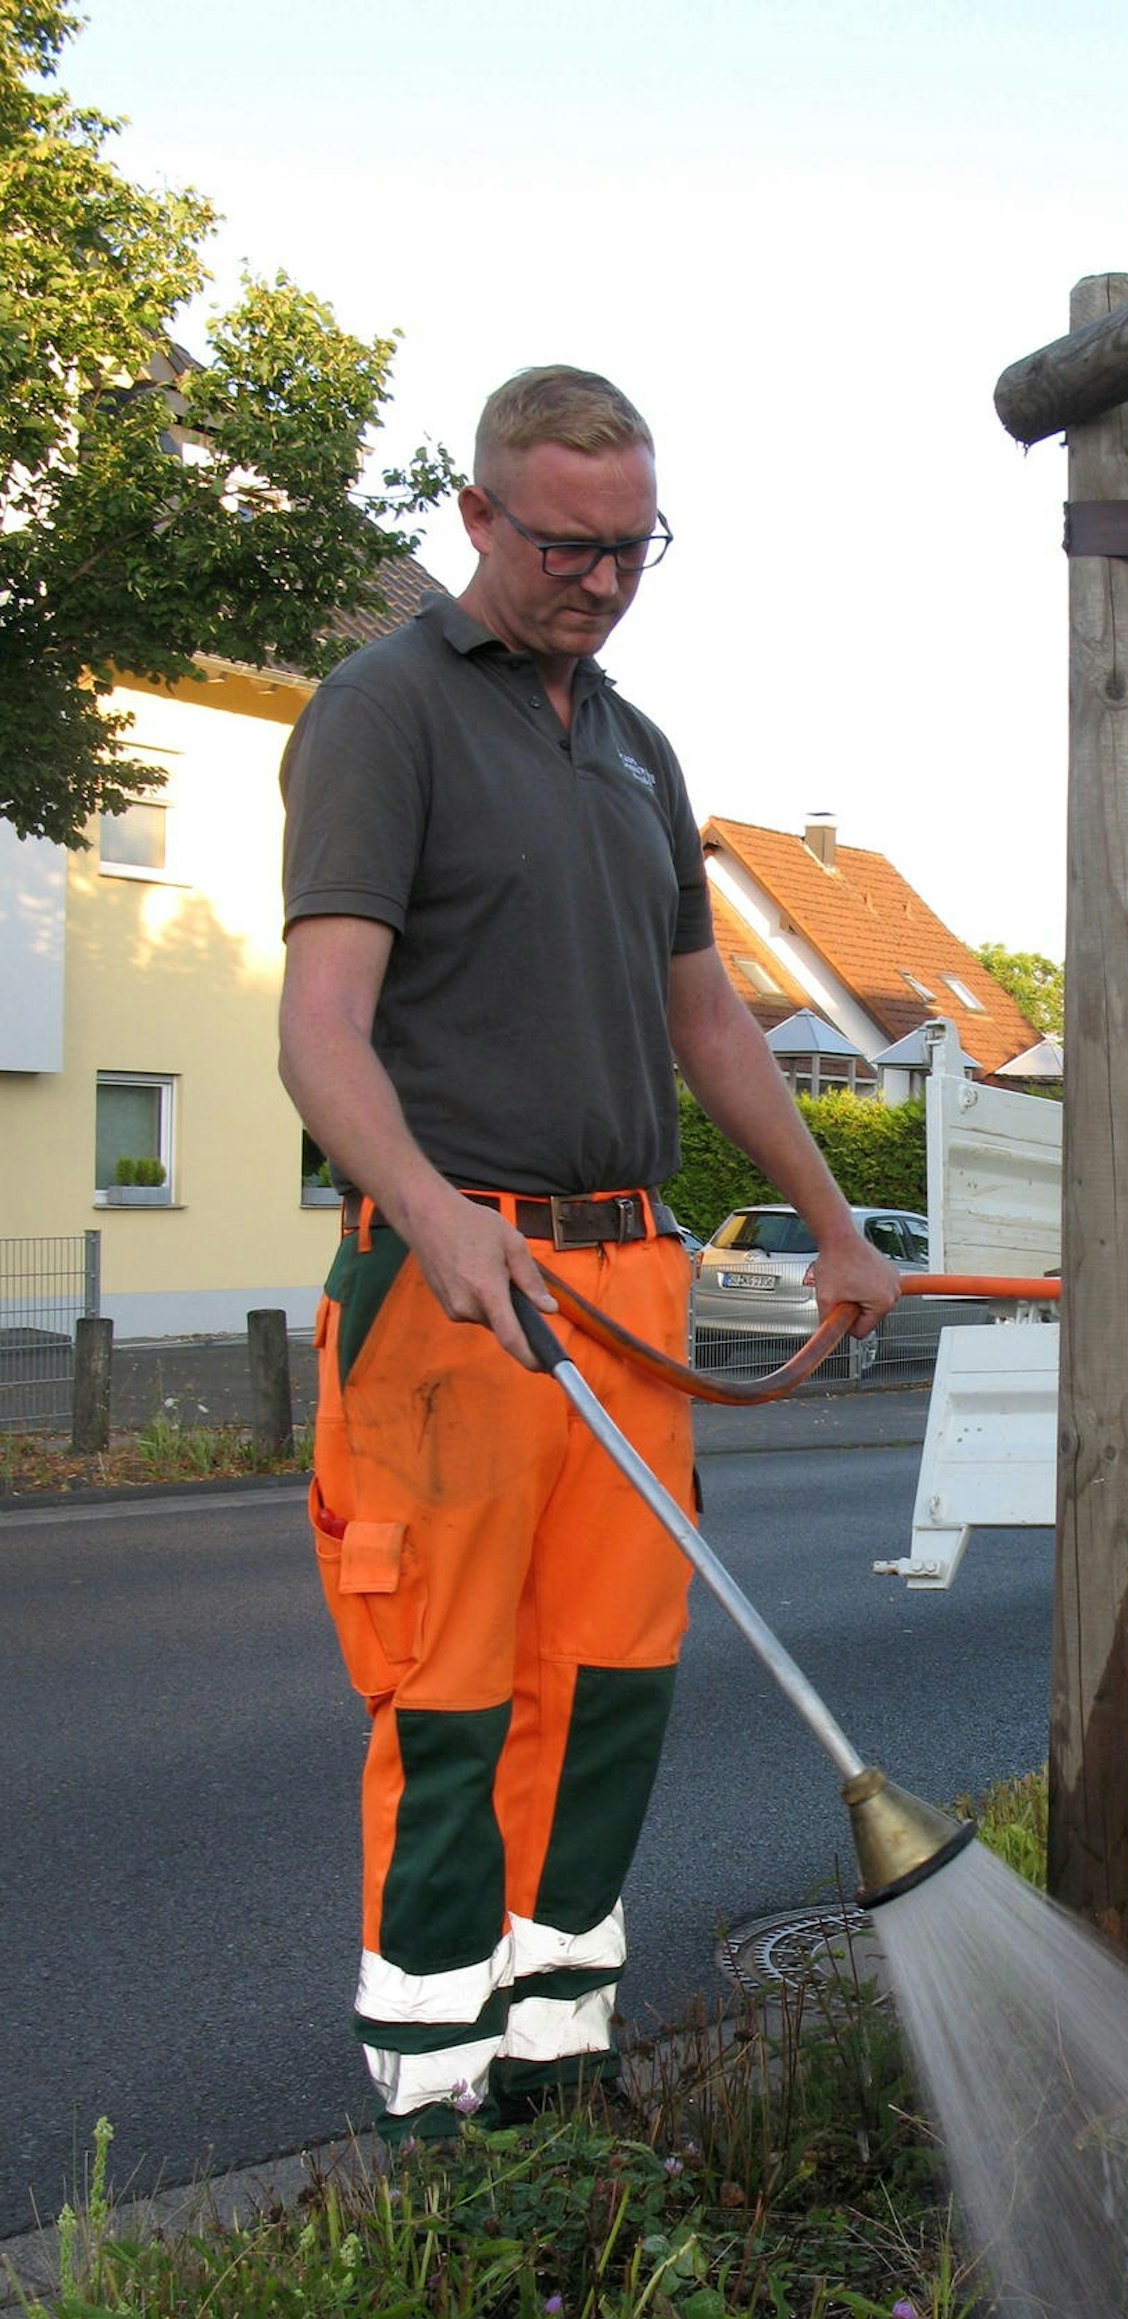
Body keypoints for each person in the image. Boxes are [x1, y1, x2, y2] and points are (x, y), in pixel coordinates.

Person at [278, 364, 901, 2141]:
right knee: (456, 1702)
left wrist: (844, 1227)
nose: (604, 582)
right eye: (568, 546)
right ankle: (431, 2112)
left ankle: (555, 2088)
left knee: (611, 1688)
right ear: (477, 518)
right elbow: (322, 1025)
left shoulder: (636, 744)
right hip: (455, 1286)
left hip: (626, 1286)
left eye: (637, 549)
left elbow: (708, 1022)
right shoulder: (382, 712)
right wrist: (432, 1209)